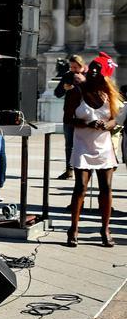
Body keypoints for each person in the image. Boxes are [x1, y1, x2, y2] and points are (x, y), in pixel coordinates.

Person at [65, 53, 122, 247]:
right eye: (93, 68)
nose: (94, 71)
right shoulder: (76, 92)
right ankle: (73, 228)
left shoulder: (109, 94)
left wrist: (107, 125)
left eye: (99, 69)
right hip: (82, 143)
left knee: (106, 188)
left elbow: (115, 120)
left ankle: (105, 229)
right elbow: (67, 120)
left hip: (104, 146)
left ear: (106, 74)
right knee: (80, 186)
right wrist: (88, 123)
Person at [55, 55, 86, 180]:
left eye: (76, 67)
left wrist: (80, 84)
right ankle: (69, 169)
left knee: (83, 144)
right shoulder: (67, 76)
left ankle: (82, 169)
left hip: (83, 116)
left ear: (82, 66)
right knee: (69, 144)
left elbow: (91, 94)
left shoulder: (87, 77)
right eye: (71, 67)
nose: (73, 69)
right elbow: (57, 93)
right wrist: (64, 88)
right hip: (69, 115)